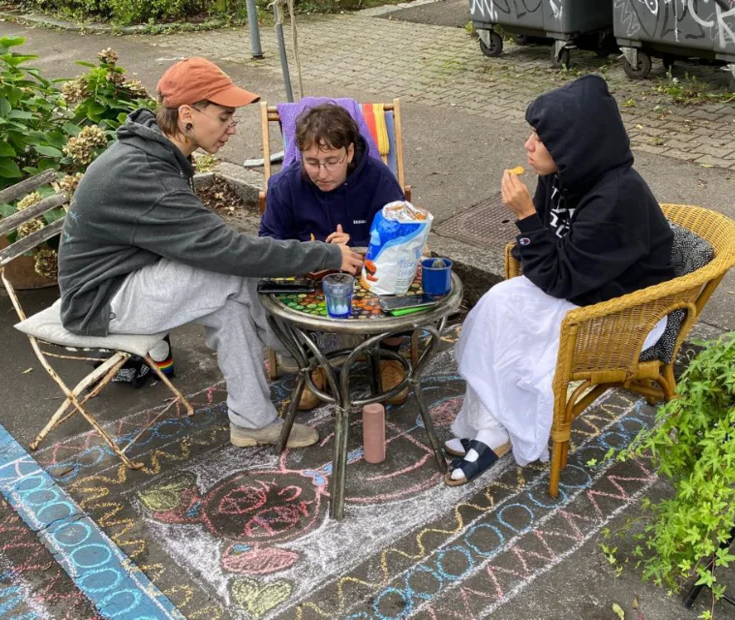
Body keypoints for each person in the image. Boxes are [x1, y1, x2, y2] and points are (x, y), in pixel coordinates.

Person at [58, 57, 363, 450]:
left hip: (127, 279)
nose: (231, 129)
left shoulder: (155, 152)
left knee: (231, 306)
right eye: (224, 117)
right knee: (233, 272)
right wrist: (323, 256)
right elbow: (228, 250)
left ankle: (253, 421)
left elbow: (211, 243)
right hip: (101, 301)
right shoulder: (146, 173)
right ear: (187, 115)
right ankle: (313, 351)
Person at [444, 75, 676, 485]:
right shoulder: (563, 173)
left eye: (540, 138)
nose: (528, 146)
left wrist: (526, 218)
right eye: (532, 133)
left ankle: (501, 434)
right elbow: (552, 261)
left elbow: (558, 275)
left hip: (626, 311)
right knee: (496, 306)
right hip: (583, 289)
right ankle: (486, 424)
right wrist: (533, 224)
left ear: (574, 146)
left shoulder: (616, 199)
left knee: (525, 344)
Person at [259, 103, 410, 409]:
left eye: (331, 161)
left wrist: (354, 246)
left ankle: (389, 354)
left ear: (350, 153)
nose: (322, 173)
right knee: (266, 290)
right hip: (311, 283)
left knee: (405, 272)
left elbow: (403, 236)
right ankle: (314, 361)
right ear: (300, 154)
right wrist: (319, 253)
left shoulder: (376, 178)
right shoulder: (285, 185)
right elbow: (267, 246)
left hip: (369, 277)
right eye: (312, 162)